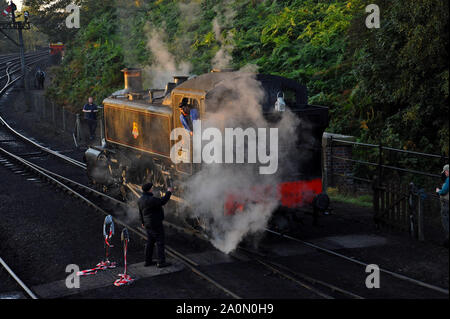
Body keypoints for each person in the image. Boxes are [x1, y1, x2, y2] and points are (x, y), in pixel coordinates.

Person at [138, 183, 173, 267]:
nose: (152, 189)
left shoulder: (140, 200)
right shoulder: (151, 199)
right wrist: (169, 192)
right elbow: (163, 201)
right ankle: (161, 262)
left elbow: (140, 213)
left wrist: (143, 222)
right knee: (160, 242)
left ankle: (148, 261)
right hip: (155, 223)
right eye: (151, 188)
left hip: (147, 224)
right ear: (149, 189)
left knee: (150, 242)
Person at [436, 164, 449, 248]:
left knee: (446, 221)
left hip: (447, 203)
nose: (444, 174)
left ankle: (448, 240)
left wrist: (438, 191)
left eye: (444, 172)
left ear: (447, 171)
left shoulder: (449, 179)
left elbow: (444, 191)